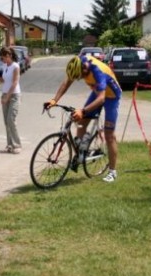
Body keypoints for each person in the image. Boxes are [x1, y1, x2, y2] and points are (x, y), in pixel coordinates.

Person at [45, 54, 122, 182]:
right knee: (81, 121)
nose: (79, 79)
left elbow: (102, 98)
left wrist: (83, 110)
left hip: (111, 97)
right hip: (97, 92)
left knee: (109, 135)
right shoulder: (78, 64)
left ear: (84, 69)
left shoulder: (97, 71)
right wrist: (54, 100)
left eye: (80, 76)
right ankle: (82, 152)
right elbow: (66, 82)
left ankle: (112, 171)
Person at [0, 46, 22, 154]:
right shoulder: (5, 65)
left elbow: (14, 82)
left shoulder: (15, 66)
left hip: (14, 95)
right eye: (1, 58)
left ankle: (17, 145)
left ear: (9, 55)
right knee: (6, 121)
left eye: (3, 58)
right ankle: (9, 145)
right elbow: (5, 80)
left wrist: (7, 97)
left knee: (11, 120)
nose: (2, 60)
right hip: (5, 94)